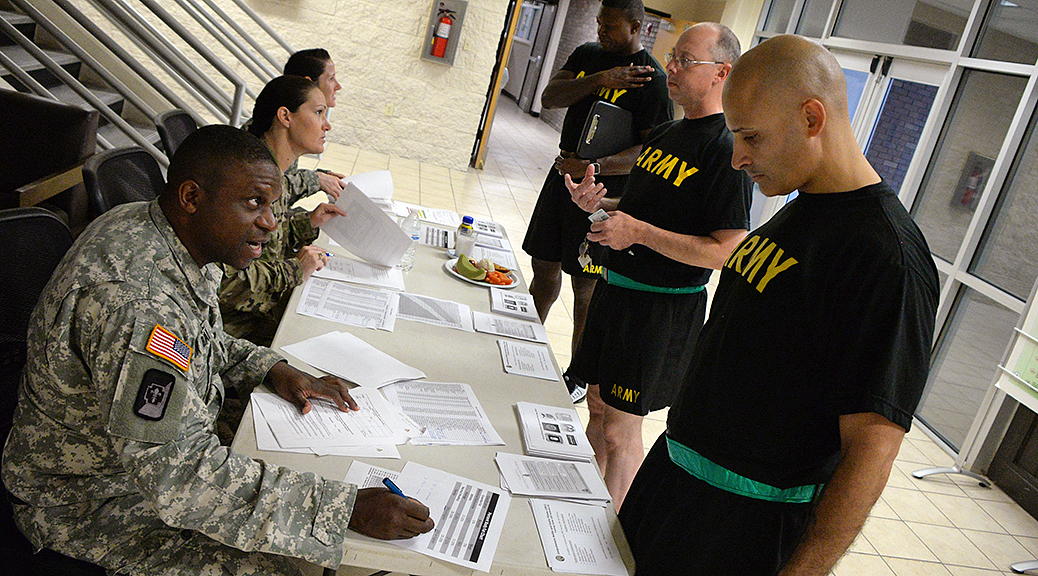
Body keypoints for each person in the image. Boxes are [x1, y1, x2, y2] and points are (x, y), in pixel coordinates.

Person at [1, 125, 434, 575]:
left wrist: (272, 368)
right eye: (254, 203)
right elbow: (181, 479)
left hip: (136, 465)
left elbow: (196, 343)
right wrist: (343, 509)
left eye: (270, 204)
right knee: (285, 566)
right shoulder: (136, 301)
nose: (270, 222)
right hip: (87, 505)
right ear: (191, 197)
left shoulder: (176, 238)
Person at [617, 34, 940, 575]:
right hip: (676, 485)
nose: (739, 158)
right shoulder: (801, 210)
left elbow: (873, 449)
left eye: (750, 138)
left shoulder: (886, 258)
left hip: (746, 527)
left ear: (812, 117)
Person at [564, 22, 751, 510]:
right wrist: (597, 206)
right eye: (673, 56)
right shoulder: (669, 132)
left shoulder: (725, 147)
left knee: (623, 428)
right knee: (598, 406)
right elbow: (640, 213)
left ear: (721, 72)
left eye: (686, 60)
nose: (671, 67)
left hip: (660, 310)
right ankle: (580, 511)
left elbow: (727, 249)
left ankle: (610, 541)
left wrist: (640, 233)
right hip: (617, 291)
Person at [521, 0, 672, 403]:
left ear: (636, 27)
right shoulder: (588, 56)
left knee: (585, 286)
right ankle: (524, 348)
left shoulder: (650, 80)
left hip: (603, 193)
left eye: (610, 25)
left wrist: (594, 165)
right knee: (543, 267)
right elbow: (551, 96)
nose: (601, 30)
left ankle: (576, 374)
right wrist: (600, 78)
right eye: (599, 23)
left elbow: (650, 148)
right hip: (562, 180)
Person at [220, 75, 345, 347]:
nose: (327, 125)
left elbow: (266, 242)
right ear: (285, 117)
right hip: (238, 333)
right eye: (319, 113)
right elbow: (224, 282)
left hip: (260, 317)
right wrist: (294, 270)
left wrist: (309, 222)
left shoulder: (275, 172)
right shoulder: (251, 179)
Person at [282, 48, 346, 201]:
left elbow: (281, 182)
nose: (338, 86)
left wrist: (322, 177)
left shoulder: (292, 123)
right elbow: (270, 191)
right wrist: (316, 180)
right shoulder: (276, 128)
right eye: (331, 79)